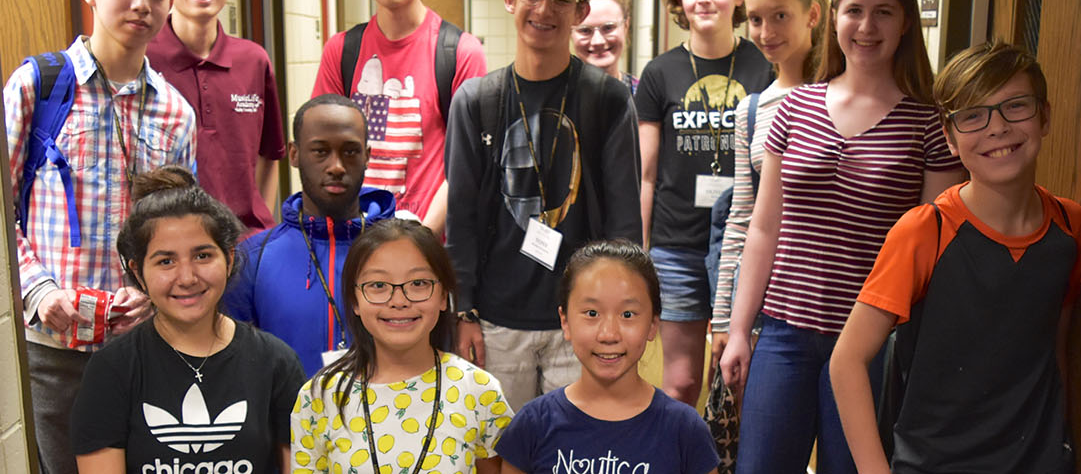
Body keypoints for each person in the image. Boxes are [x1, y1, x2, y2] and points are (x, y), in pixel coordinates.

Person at [718, 0, 966, 474]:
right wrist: (739, 328)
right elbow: (764, 229)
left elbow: (933, 249)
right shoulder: (795, 107)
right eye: (854, 10)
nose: (867, 27)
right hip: (783, 331)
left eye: (884, 12)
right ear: (833, 18)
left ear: (905, 24)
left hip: (870, 343)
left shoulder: (927, 125)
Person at [828, 42, 1081, 472]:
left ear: (1045, 116)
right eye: (973, 114)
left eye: (1016, 106)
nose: (998, 127)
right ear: (949, 137)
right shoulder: (924, 231)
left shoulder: (1072, 226)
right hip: (934, 461)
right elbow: (847, 361)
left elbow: (1054, 350)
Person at [6, 0, 196, 474]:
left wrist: (154, 288)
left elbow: (181, 226)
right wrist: (39, 291)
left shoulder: (175, 112)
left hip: (144, 342)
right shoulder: (38, 86)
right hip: (52, 348)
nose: (143, 4)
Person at [448, 0, 642, 409]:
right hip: (496, 320)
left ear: (579, 12)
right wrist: (464, 312)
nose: (544, 9)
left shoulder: (608, 100)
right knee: (500, 454)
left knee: (575, 454)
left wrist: (618, 318)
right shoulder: (477, 101)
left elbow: (623, 223)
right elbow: (462, 218)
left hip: (581, 322)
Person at [71, 166, 304, 473]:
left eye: (203, 256)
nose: (187, 277)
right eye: (165, 261)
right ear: (139, 272)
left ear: (229, 258)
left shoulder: (275, 362)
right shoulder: (112, 370)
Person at [635, 0, 771, 406]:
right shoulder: (660, 73)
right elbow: (646, 174)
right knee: (681, 382)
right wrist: (641, 252)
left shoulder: (765, 66)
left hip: (745, 243)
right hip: (675, 247)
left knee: (740, 377)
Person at [311, 0, 487, 232]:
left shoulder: (461, 52)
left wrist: (419, 237)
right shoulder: (341, 51)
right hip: (356, 239)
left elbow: (468, 164)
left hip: (430, 242)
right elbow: (323, 149)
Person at [291, 219, 514, 474]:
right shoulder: (320, 395)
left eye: (418, 284)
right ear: (354, 300)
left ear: (443, 296)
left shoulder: (479, 391)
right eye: (378, 286)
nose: (399, 301)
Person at [496, 240, 720, 474]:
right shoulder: (532, 425)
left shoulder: (685, 430)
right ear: (565, 321)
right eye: (592, 313)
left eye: (628, 314)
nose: (609, 334)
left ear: (653, 324)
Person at [224, 94, 395, 376]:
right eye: (320, 151)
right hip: (288, 418)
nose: (337, 166)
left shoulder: (401, 252)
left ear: (367, 155)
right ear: (294, 154)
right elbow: (236, 366)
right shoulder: (253, 260)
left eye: (350, 151)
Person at [710, 0, 828, 367]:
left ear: (812, 15)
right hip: (764, 298)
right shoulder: (752, 109)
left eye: (780, 16)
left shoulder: (840, 95)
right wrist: (724, 317)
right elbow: (743, 217)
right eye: (756, 19)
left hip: (831, 293)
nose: (766, 32)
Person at [148, 0, 285, 236]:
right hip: (175, 249)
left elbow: (270, 155)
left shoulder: (254, 60)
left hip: (247, 248)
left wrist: (258, 230)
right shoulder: (144, 60)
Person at [571, 0, 636, 92]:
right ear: (571, 32)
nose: (598, 41)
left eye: (608, 28)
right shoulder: (557, 99)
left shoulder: (645, 96)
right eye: (585, 30)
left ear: (626, 26)